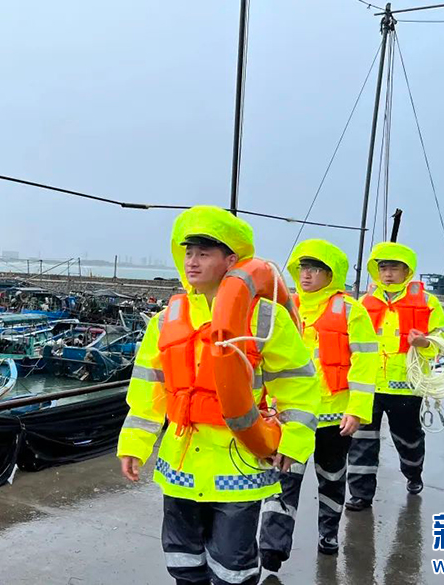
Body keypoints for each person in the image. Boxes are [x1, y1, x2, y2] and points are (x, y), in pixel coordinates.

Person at [117, 206, 320, 585]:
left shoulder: (265, 318)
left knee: (233, 566)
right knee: (182, 559)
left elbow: (299, 386)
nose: (192, 262)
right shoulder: (165, 320)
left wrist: (294, 441)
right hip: (180, 465)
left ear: (231, 261)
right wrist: (134, 444)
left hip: (237, 463)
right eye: (188, 253)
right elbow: (147, 391)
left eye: (204, 253)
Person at [259, 239, 378, 568]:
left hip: (334, 418)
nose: (306, 275)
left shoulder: (352, 311)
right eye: (302, 268)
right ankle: (272, 547)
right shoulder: (284, 310)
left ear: (331, 275)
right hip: (290, 416)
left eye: (315, 269)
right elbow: (265, 359)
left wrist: (357, 409)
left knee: (332, 478)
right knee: (283, 478)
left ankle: (328, 534)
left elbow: (365, 362)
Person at [346, 242, 444, 510]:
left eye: (394, 268)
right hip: (368, 386)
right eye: (383, 268)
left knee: (408, 440)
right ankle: (360, 494)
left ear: (407, 271)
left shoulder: (427, 302)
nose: (388, 273)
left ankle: (413, 473)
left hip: (406, 387)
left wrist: (425, 343)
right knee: (361, 442)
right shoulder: (363, 303)